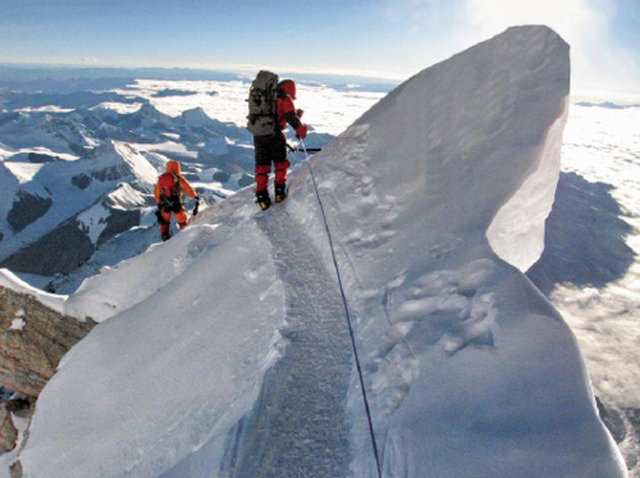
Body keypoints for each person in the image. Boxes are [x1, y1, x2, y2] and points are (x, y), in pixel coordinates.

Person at [253, 78, 307, 210]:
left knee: (262, 167)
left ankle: (262, 199)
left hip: (259, 135)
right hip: (275, 136)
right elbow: (290, 117)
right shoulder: (284, 98)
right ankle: (279, 194)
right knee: (280, 164)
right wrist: (301, 129)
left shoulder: (265, 97)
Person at [154, 160, 199, 241]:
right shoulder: (179, 178)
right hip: (176, 202)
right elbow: (188, 188)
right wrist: (195, 196)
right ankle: (185, 233)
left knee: (165, 221)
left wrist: (159, 203)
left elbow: (156, 192)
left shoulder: (161, 179)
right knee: (181, 219)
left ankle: (165, 235)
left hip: (164, 203)